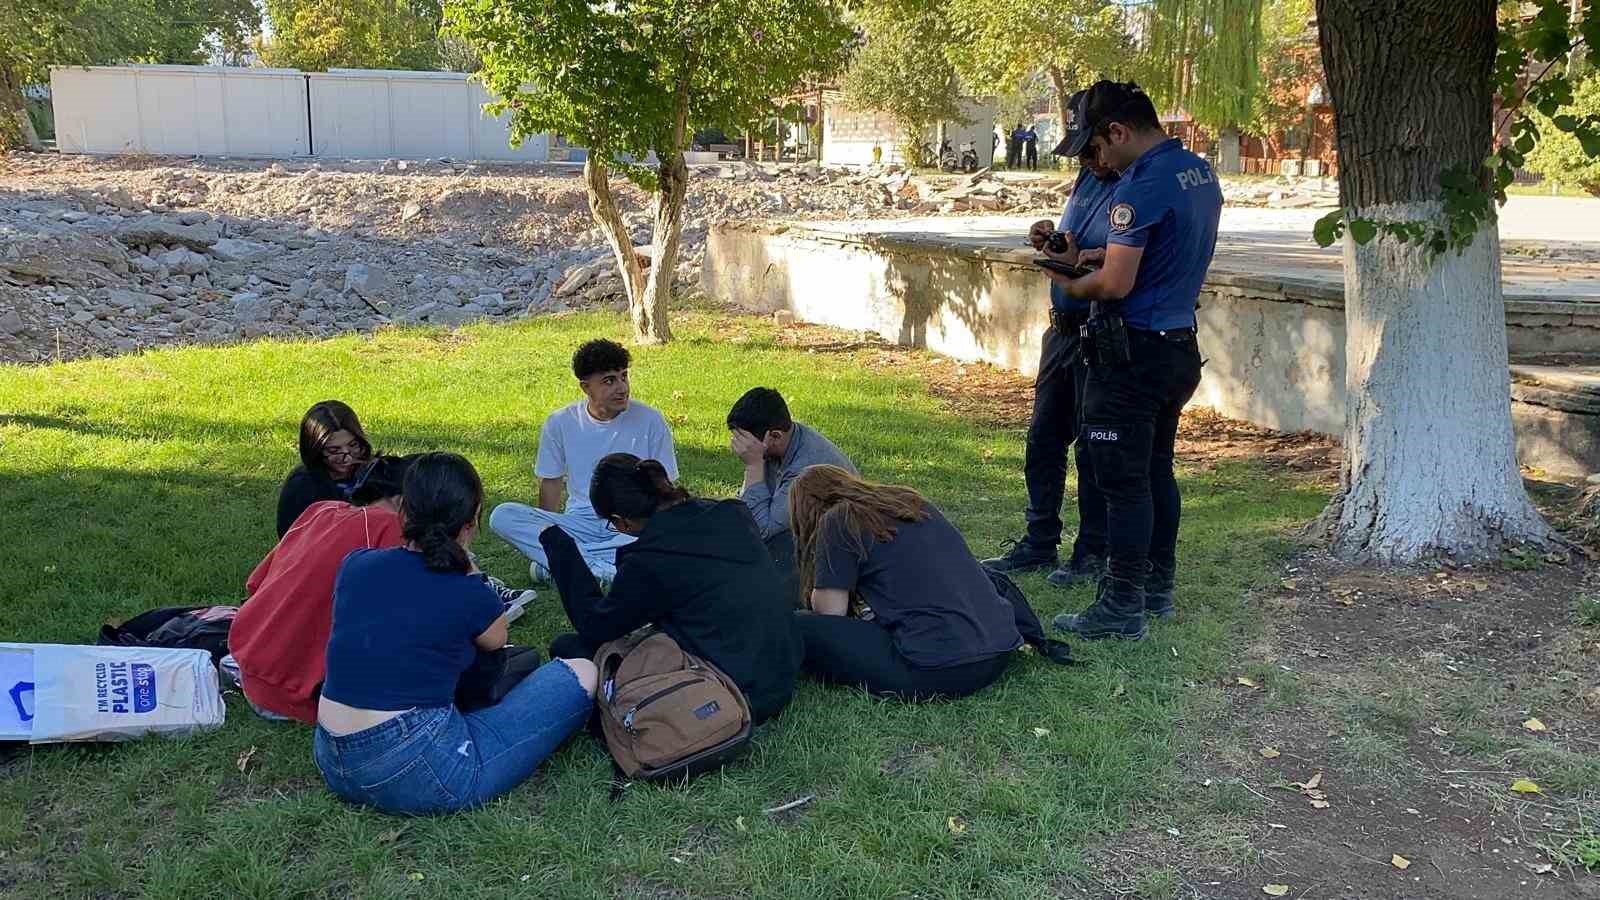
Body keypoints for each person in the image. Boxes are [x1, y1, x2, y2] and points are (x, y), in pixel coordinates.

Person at [313, 452, 597, 816]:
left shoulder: (356, 564)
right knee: (582, 672)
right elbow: (496, 642)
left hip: (332, 756)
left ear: (403, 508)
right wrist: (468, 566)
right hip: (416, 765)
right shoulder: (469, 592)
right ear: (470, 521)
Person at [1042, 80, 1222, 641]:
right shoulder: (1198, 173)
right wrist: (1091, 254)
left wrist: (1067, 278)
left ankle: (1122, 604)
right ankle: (1156, 586)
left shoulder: (1137, 186)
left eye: (1094, 148)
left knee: (1121, 480)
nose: (1095, 161)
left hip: (1131, 353)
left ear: (1117, 132)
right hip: (1176, 345)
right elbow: (1162, 251)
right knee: (1155, 470)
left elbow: (1116, 285)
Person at [540, 453, 802, 725]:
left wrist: (561, 549)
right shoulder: (732, 512)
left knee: (570, 647)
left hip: (735, 688)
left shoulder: (650, 560)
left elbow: (595, 624)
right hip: (782, 671)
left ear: (621, 521)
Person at [982, 90, 1115, 589]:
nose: (1085, 159)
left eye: (1090, 148)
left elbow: (1123, 260)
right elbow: (1076, 242)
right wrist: (1053, 241)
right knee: (1043, 440)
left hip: (1098, 333)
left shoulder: (1133, 185)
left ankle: (1091, 550)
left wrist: (1087, 256)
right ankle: (1039, 540)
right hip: (1060, 333)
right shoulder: (1087, 179)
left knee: (1092, 448)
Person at [788, 465, 1040, 701]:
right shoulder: (909, 501)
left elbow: (831, 612)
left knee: (797, 625)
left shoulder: (839, 519)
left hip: (938, 669)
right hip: (998, 652)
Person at [231, 455, 412, 723]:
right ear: (402, 500)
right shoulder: (393, 532)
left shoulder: (320, 510)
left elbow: (255, 583)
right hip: (300, 697)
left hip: (253, 677)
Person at [490, 339, 678, 584]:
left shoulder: (650, 420)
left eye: (624, 376)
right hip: (581, 521)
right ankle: (597, 566)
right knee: (502, 515)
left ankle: (563, 564)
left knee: (658, 541)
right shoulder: (560, 422)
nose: (622, 388)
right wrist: (550, 534)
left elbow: (666, 487)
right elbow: (551, 485)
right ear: (585, 387)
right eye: (609, 381)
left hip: (632, 524)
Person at [726, 387, 856, 602]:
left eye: (746, 442)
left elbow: (761, 530)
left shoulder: (806, 468)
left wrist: (753, 466)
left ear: (775, 436)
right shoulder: (781, 445)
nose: (739, 449)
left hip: (837, 549)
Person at [276, 400, 372, 538]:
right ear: (315, 450)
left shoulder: (376, 472)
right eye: (334, 450)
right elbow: (292, 541)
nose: (348, 457)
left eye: (353, 445)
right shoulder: (302, 486)